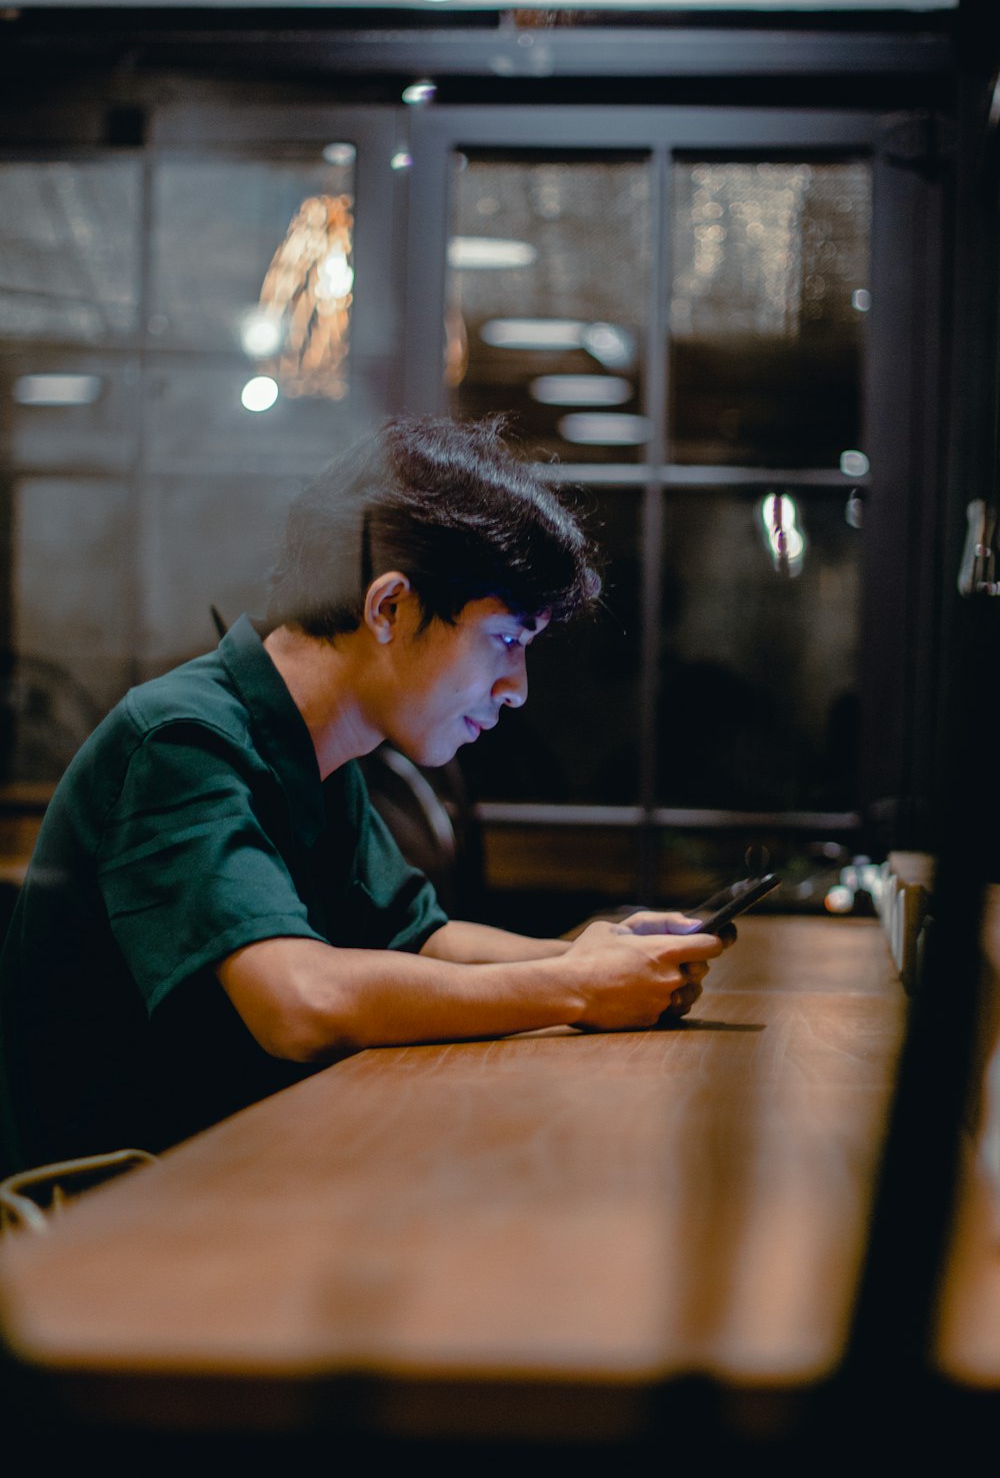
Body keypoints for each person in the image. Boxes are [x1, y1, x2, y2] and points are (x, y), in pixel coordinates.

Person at [0, 416, 724, 1175]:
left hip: (241, 1173)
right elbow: (298, 1004)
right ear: (390, 608)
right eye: (507, 640)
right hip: (109, 1228)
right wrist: (572, 988)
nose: (517, 691)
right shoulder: (180, 741)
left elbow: (423, 940)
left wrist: (600, 956)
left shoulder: (321, 755)